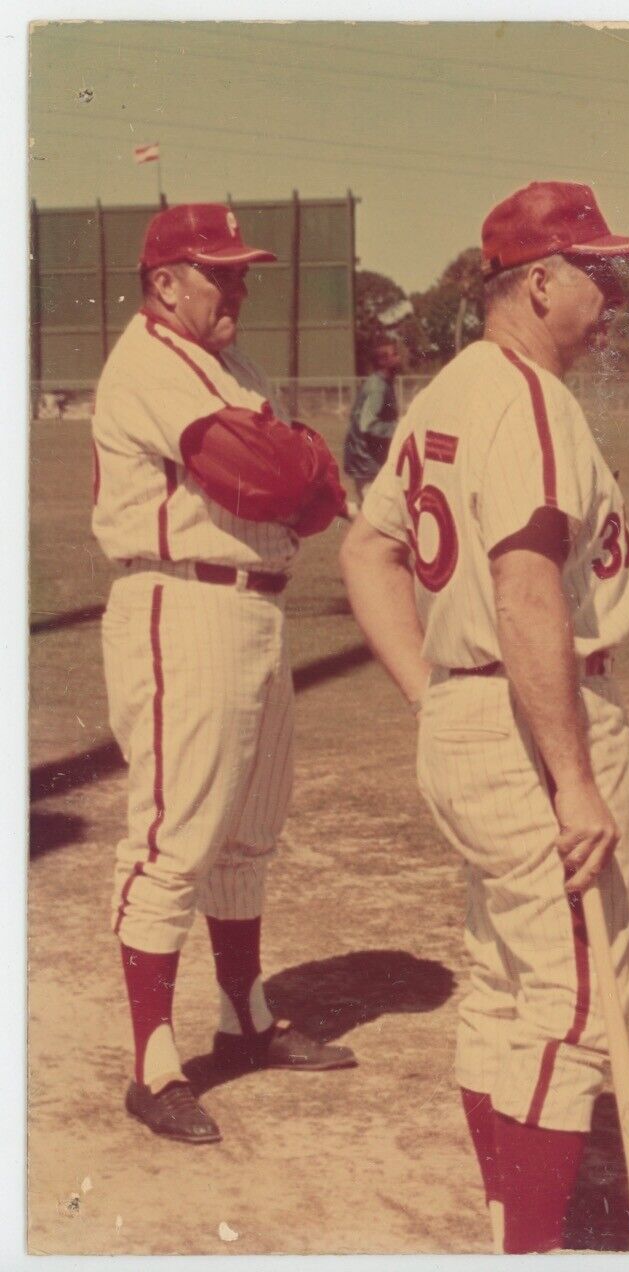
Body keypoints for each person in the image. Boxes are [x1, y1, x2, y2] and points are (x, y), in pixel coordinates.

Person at [339, 181, 629, 1253]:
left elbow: (366, 551)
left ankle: (506, 1225)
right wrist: (572, 778)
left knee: (505, 986)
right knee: (569, 1008)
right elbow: (527, 589)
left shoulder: (448, 391)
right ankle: (531, 1247)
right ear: (541, 283)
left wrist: (434, 693)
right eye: (596, 273)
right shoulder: (525, 398)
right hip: (533, 726)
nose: (609, 296)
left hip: (471, 715)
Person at [93, 203, 355, 1145]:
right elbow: (262, 475)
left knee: (250, 829)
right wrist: (302, 466)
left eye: (243, 271)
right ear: (166, 284)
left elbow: (313, 485)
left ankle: (244, 1018)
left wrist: (305, 466)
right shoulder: (148, 361)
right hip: (181, 605)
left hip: (254, 604)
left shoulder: (228, 362)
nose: (241, 285)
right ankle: (151, 1062)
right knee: (174, 836)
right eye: (222, 272)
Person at [342, 338, 403, 506]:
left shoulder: (383, 383)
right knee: (375, 518)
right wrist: (400, 427)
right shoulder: (377, 387)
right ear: (383, 361)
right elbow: (367, 425)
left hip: (371, 464)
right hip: (367, 466)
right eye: (395, 355)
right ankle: (345, 509)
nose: (399, 358)